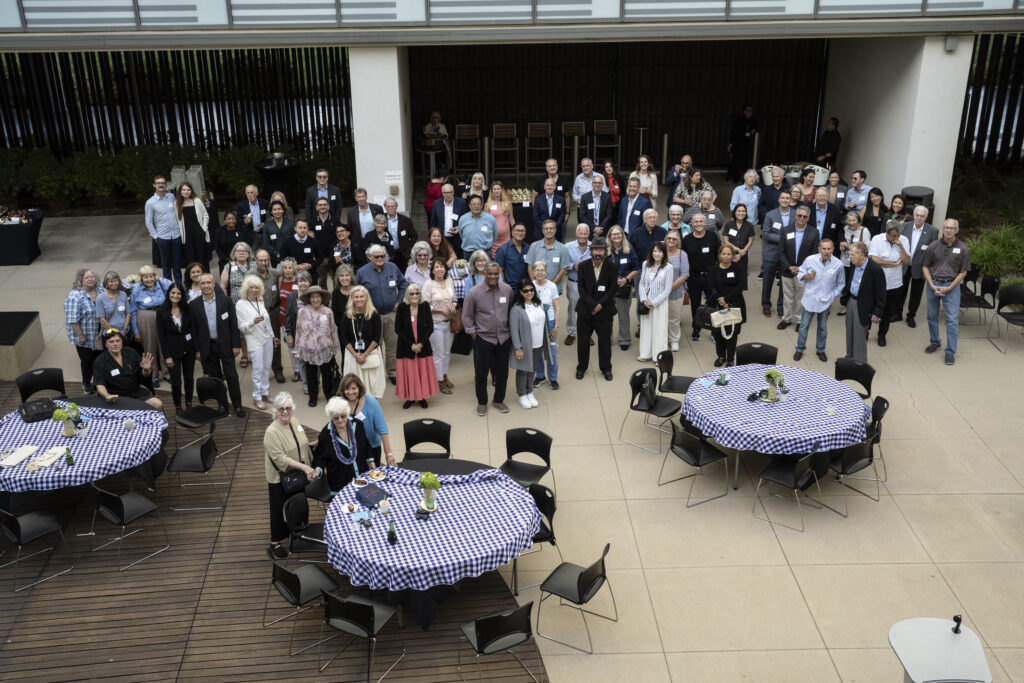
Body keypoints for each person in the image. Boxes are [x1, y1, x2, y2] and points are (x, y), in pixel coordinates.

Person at [263, 392, 318, 558]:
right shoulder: (271, 432)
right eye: (281, 409)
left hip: (299, 474)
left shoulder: (295, 422)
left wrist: (314, 444)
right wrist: (305, 468)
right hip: (280, 478)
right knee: (280, 510)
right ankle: (275, 542)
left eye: (288, 408)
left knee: (298, 504)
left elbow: (300, 444)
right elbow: (280, 458)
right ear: (275, 411)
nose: (285, 412)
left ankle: (297, 532)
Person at [188, 273, 245, 417]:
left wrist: (236, 345)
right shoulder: (194, 305)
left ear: (214, 284)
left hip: (225, 344)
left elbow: (233, 325)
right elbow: (193, 330)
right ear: (199, 286)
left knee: (231, 376)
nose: (206, 286)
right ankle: (223, 405)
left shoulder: (225, 301)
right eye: (203, 283)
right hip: (207, 347)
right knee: (216, 379)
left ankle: (237, 405)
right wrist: (198, 350)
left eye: (209, 283)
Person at [463, 263, 513, 416]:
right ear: (484, 274)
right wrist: (473, 334)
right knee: (481, 374)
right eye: (489, 274)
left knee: (502, 373)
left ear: (499, 274)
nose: (492, 276)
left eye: (495, 274)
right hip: (483, 339)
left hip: (503, 338)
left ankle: (498, 400)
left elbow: (511, 310)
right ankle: (482, 402)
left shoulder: (507, 290)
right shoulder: (474, 293)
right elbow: (467, 316)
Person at [922, 219, 971, 366]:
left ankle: (950, 352)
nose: (948, 230)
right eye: (946, 227)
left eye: (951, 228)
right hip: (933, 284)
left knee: (952, 320)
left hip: (952, 287)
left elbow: (963, 272)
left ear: (957, 230)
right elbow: (925, 266)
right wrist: (931, 285)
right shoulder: (933, 246)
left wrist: (949, 288)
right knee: (931, 316)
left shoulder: (962, 249)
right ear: (943, 229)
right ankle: (935, 341)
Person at [356, 243, 407, 384]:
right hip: (372, 317)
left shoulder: (392, 267)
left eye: (382, 256)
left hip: (391, 314)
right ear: (369, 257)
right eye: (376, 256)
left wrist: (399, 301)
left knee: (393, 346)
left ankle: (393, 372)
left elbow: (403, 284)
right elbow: (357, 292)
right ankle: (376, 372)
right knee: (374, 346)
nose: (380, 258)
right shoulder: (362, 272)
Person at [793, 239, 845, 363]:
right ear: (819, 249)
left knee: (822, 327)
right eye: (824, 249)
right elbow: (800, 274)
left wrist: (832, 296)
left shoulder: (838, 264)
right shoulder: (810, 260)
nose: (826, 252)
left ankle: (820, 350)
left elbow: (841, 284)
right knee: (804, 326)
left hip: (825, 301)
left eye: (829, 249)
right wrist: (806, 277)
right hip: (810, 299)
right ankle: (799, 349)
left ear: (833, 249)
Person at [574, 235, 618, 380]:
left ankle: (606, 368)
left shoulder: (612, 266)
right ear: (591, 251)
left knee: (605, 342)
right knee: (583, 342)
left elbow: (612, 289)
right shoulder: (583, 266)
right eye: (595, 250)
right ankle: (581, 367)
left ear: (605, 251)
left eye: (600, 250)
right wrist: (593, 305)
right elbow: (581, 289)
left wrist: (600, 304)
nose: (598, 253)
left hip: (605, 312)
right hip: (585, 312)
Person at [312, 397, 373, 493]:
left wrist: (371, 461)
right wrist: (318, 470)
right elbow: (321, 457)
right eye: (336, 417)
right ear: (331, 417)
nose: (340, 420)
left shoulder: (358, 425)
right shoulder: (325, 434)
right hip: (340, 482)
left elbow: (366, 445)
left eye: (343, 416)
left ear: (347, 413)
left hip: (362, 478)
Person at [93, 329, 162, 409]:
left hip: (134, 392)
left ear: (122, 342)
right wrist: (107, 395)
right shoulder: (100, 361)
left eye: (117, 341)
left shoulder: (132, 353)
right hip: (115, 396)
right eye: (111, 342)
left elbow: (144, 375)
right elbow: (99, 384)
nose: (115, 344)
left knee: (157, 404)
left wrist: (146, 369)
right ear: (106, 344)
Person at [295, 285, 340, 407]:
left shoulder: (328, 312)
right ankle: (313, 396)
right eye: (313, 297)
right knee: (311, 375)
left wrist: (335, 347)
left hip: (326, 349)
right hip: (308, 350)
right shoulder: (302, 312)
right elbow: (298, 331)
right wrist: (297, 350)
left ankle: (329, 394)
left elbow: (333, 330)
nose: (315, 299)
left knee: (327, 375)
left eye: (318, 297)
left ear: (322, 298)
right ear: (309, 298)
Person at [236, 274, 277, 410]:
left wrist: (272, 335)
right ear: (246, 289)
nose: (253, 290)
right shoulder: (240, 304)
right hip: (254, 340)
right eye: (251, 287)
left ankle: (265, 392)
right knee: (258, 369)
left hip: (267, 338)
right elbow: (242, 327)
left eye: (256, 287)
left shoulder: (260, 301)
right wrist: (252, 322)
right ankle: (257, 397)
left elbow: (267, 321)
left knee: (266, 367)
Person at [840, 242, 886, 363]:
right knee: (849, 331)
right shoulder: (854, 265)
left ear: (863, 255)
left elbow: (881, 294)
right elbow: (850, 282)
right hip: (851, 302)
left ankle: (860, 362)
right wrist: (845, 299)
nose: (850, 257)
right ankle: (849, 356)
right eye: (850, 254)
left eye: (853, 254)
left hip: (865, 306)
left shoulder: (875, 269)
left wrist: (877, 312)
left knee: (860, 334)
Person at [778, 205, 820, 331]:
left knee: (801, 298)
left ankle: (800, 320)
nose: (801, 218)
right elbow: (780, 251)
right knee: (787, 297)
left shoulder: (814, 232)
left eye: (805, 216)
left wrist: (801, 268)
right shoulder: (786, 230)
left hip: (804, 273)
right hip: (787, 270)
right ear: (795, 216)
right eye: (799, 215)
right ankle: (786, 319)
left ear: (808, 218)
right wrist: (789, 266)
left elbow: (814, 255)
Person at [869, 221, 911, 346]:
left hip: (894, 283)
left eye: (898, 235)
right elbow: (874, 259)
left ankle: (882, 335)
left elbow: (906, 261)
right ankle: (866, 331)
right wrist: (893, 263)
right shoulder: (877, 239)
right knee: (871, 309)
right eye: (893, 236)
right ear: (887, 233)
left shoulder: (903, 240)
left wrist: (901, 247)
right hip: (876, 282)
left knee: (888, 312)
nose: (896, 238)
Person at [395, 284, 437, 409]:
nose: (414, 295)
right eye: (411, 293)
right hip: (406, 346)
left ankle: (422, 397)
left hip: (423, 346)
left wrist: (420, 344)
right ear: (407, 295)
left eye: (417, 293)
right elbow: (398, 328)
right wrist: (411, 345)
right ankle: (410, 397)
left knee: (422, 372)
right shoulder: (402, 307)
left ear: (420, 294)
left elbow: (430, 327)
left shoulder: (425, 306)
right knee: (409, 372)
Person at [338, 374, 395, 466]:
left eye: (353, 388)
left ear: (359, 388)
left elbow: (383, 429)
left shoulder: (371, 402)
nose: (350, 392)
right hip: (350, 447)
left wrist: (388, 454)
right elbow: (333, 425)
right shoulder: (340, 403)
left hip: (371, 448)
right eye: (347, 389)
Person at [339, 285, 386, 398]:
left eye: (361, 297)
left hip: (370, 354)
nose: (359, 299)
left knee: (372, 385)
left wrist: (364, 355)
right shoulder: (347, 316)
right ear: (352, 299)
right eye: (356, 297)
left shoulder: (374, 314)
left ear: (366, 298)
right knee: (354, 384)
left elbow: (376, 338)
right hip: (353, 356)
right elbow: (344, 339)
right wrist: (356, 355)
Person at [129, 265, 172, 387]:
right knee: (149, 347)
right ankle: (153, 375)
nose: (149, 279)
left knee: (164, 345)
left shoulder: (163, 285)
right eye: (145, 277)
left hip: (162, 317)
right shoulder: (137, 290)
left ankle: (167, 373)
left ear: (154, 276)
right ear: (141, 278)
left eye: (151, 276)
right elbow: (132, 312)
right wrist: (136, 331)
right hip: (145, 319)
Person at [681, 214, 721, 342]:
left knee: (712, 304)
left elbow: (718, 256)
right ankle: (696, 328)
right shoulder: (687, 239)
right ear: (692, 224)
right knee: (695, 305)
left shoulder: (712, 236)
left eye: (701, 221)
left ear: (705, 223)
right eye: (696, 221)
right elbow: (684, 260)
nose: (698, 223)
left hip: (710, 276)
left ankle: (714, 331)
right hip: (694, 277)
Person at [156, 282, 195, 412]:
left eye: (178, 293)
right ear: (168, 294)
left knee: (189, 378)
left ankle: (189, 402)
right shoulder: (161, 311)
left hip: (189, 350)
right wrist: (167, 356)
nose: (175, 295)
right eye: (173, 292)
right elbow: (161, 336)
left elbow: (192, 329)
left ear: (182, 295)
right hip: (172, 353)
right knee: (176, 382)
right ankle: (178, 406)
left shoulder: (187, 309)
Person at [898, 205, 939, 328]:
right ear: (913, 215)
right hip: (904, 265)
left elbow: (932, 253)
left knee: (916, 294)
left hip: (920, 268)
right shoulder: (904, 226)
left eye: (922, 216)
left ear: (926, 217)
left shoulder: (933, 231)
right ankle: (897, 313)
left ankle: (911, 316)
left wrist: (928, 270)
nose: (919, 218)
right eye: (917, 215)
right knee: (900, 291)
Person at [509, 279, 548, 410]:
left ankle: (530, 391)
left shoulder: (538, 303)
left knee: (532, 369)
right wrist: (518, 347)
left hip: (538, 343)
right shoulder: (516, 309)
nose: (529, 292)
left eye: (531, 290)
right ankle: (522, 394)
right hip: (525, 345)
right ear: (520, 292)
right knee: (523, 369)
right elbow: (514, 330)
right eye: (526, 291)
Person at [422, 258, 457, 395]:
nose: (440, 269)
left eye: (442, 266)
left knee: (447, 352)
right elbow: (423, 306)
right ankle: (439, 381)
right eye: (437, 267)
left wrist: (453, 305)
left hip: (449, 323)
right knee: (438, 354)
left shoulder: (449, 281)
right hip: (435, 324)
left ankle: (444, 375)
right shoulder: (428, 285)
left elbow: (454, 298)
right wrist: (439, 309)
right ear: (432, 270)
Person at [708, 244, 746, 367]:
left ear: (733, 255)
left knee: (732, 335)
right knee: (718, 334)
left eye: (729, 254)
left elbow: (740, 286)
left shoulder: (738, 268)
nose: (726, 256)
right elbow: (711, 287)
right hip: (718, 305)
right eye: (723, 254)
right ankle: (721, 356)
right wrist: (720, 300)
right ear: (719, 255)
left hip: (734, 304)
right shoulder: (714, 269)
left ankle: (730, 359)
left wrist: (727, 300)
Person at [64, 268, 101, 394]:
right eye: (87, 277)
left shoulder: (100, 291)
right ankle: (86, 383)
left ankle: (99, 383)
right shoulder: (75, 296)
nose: (90, 279)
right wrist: (81, 336)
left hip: (100, 334)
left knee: (99, 360)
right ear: (81, 281)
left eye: (92, 276)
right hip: (84, 336)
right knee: (87, 361)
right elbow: (72, 320)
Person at [636, 241, 674, 362]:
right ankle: (645, 353)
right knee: (646, 327)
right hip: (646, 301)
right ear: (651, 252)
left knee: (660, 329)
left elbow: (667, 290)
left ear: (664, 254)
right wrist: (644, 299)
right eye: (655, 251)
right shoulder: (645, 265)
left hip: (660, 303)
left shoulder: (669, 267)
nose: (657, 254)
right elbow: (641, 283)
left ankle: (659, 357)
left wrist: (654, 302)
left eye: (660, 251)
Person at [251, 250, 284, 384]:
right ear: (256, 261)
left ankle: (277, 370)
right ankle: (262, 371)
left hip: (272, 311)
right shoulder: (250, 276)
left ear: (269, 260)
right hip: (257, 312)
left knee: (275, 341)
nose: (263, 263)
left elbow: (288, 273)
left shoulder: (274, 273)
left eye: (266, 260)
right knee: (259, 343)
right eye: (260, 260)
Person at [145, 175, 183, 283]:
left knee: (177, 264)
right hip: (163, 237)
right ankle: (168, 287)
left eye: (163, 183)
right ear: (154, 185)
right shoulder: (150, 202)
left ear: (166, 185)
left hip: (176, 235)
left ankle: (179, 286)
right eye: (158, 183)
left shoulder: (171, 196)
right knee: (166, 265)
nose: (161, 185)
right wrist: (156, 236)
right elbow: (148, 222)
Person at [761, 191, 793, 317]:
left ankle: (781, 306)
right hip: (772, 253)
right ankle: (766, 304)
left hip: (787, 254)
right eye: (783, 198)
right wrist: (782, 238)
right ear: (779, 200)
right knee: (767, 280)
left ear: (790, 200)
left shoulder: (795, 215)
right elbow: (766, 234)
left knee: (784, 282)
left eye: (787, 198)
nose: (785, 200)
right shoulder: (770, 215)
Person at [608, 225, 639, 351]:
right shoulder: (606, 250)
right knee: (607, 315)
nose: (616, 236)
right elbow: (599, 268)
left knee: (624, 315)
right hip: (609, 288)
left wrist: (626, 279)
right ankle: (607, 338)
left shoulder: (629, 249)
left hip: (624, 287)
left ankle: (624, 339)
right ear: (609, 237)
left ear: (622, 235)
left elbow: (636, 268)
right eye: (614, 234)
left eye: (619, 234)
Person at [531, 261, 560, 389]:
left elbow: (557, 307)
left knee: (551, 352)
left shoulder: (552, 286)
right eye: (537, 270)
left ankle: (553, 378)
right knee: (537, 351)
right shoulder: (530, 286)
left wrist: (556, 327)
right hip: (536, 323)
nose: (539, 272)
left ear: (546, 271)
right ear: (533, 272)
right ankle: (540, 376)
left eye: (542, 270)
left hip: (550, 322)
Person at [284, 270, 311, 393]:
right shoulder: (292, 296)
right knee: (301, 361)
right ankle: (306, 384)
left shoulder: (314, 295)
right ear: (297, 282)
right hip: (298, 335)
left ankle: (314, 382)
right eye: (301, 281)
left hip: (312, 335)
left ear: (309, 283)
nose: (303, 284)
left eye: (305, 281)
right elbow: (288, 316)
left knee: (313, 360)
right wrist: (289, 334)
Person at [664, 230, 690, 351]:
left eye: (674, 239)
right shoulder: (660, 251)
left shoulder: (682, 254)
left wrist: (669, 288)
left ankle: (674, 340)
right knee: (661, 318)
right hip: (658, 294)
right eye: (669, 238)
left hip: (676, 293)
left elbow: (684, 275)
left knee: (674, 319)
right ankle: (662, 339)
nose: (671, 241)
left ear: (678, 241)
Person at [565, 224, 591, 346]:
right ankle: (571, 333)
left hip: (589, 285)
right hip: (573, 282)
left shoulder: (593, 246)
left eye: (585, 233)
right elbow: (563, 264)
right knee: (572, 309)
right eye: (580, 233)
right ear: (576, 234)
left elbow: (599, 262)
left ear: (588, 235)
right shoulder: (568, 247)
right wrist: (572, 266)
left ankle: (587, 334)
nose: (582, 236)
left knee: (588, 309)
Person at [175, 181, 210, 272]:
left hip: (199, 234)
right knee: (190, 260)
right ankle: (192, 282)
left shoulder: (197, 201)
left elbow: (205, 215)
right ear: (180, 191)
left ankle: (205, 279)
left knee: (202, 258)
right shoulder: (177, 204)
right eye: (184, 190)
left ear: (191, 191)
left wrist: (203, 229)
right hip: (187, 236)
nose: (186, 192)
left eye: (188, 189)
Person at [277, 260, 302, 383]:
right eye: (285, 268)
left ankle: (305, 368)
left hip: (299, 318)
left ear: (294, 269)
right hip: (284, 319)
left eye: (290, 268)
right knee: (291, 346)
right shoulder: (279, 282)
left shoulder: (299, 281)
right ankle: (297, 370)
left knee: (301, 344)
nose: (287, 270)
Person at [309, 197, 339, 287]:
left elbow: (339, 238)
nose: (323, 206)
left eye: (325, 204)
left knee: (336, 280)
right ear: (316, 207)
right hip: (320, 257)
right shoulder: (312, 222)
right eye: (320, 205)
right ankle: (323, 301)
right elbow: (311, 240)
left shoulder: (335, 221)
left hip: (333, 256)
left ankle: (335, 300)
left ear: (328, 206)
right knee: (322, 281)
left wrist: (338, 253)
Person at [429, 184, 469, 251]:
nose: (448, 195)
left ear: (453, 192)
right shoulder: (436, 204)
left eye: (450, 192)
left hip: (457, 239)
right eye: (445, 193)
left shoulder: (461, 203)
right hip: (442, 239)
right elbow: (433, 223)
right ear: (442, 193)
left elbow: (467, 220)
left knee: (458, 260)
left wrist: (459, 227)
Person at [722, 205, 755, 286]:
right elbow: (726, 241)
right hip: (729, 255)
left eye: (743, 211)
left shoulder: (749, 226)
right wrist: (738, 250)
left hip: (743, 256)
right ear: (735, 212)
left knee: (741, 280)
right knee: (729, 278)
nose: (741, 213)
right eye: (739, 211)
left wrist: (741, 254)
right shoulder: (728, 225)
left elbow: (750, 241)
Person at [330, 264, 356, 365]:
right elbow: (335, 314)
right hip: (343, 331)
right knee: (346, 355)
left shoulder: (358, 290)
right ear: (338, 278)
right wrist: (344, 327)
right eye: (341, 276)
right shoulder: (336, 293)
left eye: (347, 275)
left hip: (359, 329)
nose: (344, 278)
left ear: (351, 277)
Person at [459, 195, 498, 259]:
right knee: (469, 269)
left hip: (485, 253)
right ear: (469, 206)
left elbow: (495, 235)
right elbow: (462, 235)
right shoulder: (463, 219)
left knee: (486, 269)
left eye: (478, 204)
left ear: (482, 205)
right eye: (474, 204)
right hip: (468, 253)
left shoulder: (490, 218)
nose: (476, 206)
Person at [97, 271, 131, 343]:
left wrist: (124, 330)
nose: (114, 283)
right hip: (109, 335)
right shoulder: (100, 298)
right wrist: (114, 333)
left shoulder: (123, 294)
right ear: (106, 283)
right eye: (111, 281)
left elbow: (128, 313)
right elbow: (101, 319)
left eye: (116, 281)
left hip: (124, 333)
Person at [727, 104, 757, 183]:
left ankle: (745, 179)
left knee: (746, 162)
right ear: (744, 111)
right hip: (738, 144)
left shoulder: (753, 120)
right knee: (736, 161)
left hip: (748, 144)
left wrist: (752, 132)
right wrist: (730, 144)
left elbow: (756, 128)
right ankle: (734, 178)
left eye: (751, 110)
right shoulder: (739, 120)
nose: (750, 112)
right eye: (748, 110)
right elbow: (733, 133)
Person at [531, 177, 568, 242]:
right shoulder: (538, 199)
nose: (549, 187)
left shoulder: (561, 200)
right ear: (544, 187)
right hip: (540, 231)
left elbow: (562, 215)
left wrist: (553, 227)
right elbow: (535, 216)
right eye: (547, 185)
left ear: (555, 187)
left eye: (551, 185)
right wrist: (545, 227)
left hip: (556, 232)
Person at [382, 196, 418, 261]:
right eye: (388, 206)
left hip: (402, 254)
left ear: (396, 206)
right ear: (385, 207)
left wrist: (408, 248)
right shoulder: (381, 219)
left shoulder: (406, 220)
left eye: (392, 206)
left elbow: (414, 236)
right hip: (387, 254)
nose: (390, 208)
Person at [495, 223, 531, 287]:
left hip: (525, 288)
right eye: (517, 230)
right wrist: (504, 287)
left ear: (525, 233)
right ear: (512, 232)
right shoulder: (502, 249)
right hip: (511, 287)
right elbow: (499, 270)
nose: (520, 233)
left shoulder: (528, 248)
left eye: (522, 231)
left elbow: (531, 268)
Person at [236, 184, 269, 249]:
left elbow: (270, 217)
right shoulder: (241, 206)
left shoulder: (264, 203)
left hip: (264, 234)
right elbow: (238, 221)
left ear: (257, 193)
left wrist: (265, 224)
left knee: (266, 254)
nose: (249, 195)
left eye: (251, 192)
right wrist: (245, 221)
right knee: (252, 256)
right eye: (247, 193)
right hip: (251, 235)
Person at [487, 181, 514, 259]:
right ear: (492, 191)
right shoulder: (487, 205)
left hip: (505, 238)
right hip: (493, 239)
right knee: (494, 260)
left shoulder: (508, 203)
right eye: (494, 189)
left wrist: (516, 230)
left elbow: (511, 219)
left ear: (502, 190)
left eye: (498, 189)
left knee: (506, 257)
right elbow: (485, 221)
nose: (496, 191)